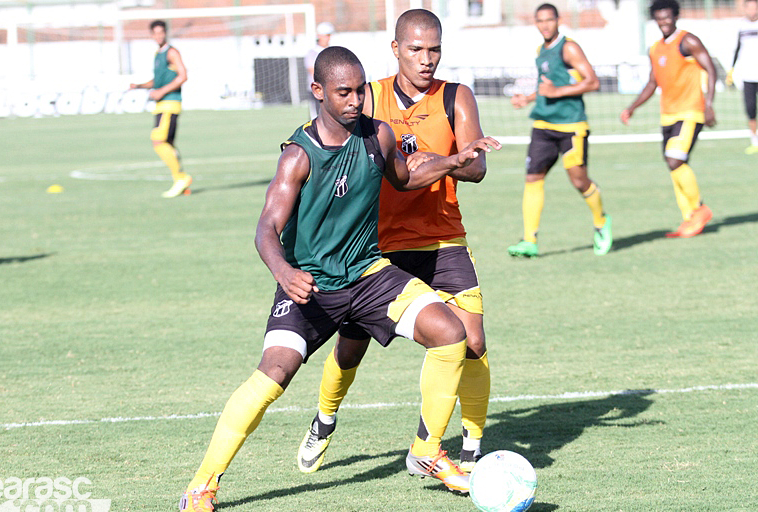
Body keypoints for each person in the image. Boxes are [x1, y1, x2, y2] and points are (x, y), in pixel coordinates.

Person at [177, 46, 500, 512]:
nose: (354, 100)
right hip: (312, 285)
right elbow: (266, 228)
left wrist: (454, 161)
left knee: (451, 333)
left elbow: (406, 176)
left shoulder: (378, 136)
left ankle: (427, 451)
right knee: (274, 376)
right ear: (318, 92)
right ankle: (202, 485)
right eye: (343, 92)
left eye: (360, 90)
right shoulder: (298, 156)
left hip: (369, 274)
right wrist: (285, 272)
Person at [295, 8, 494, 478]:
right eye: (416, 50)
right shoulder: (371, 98)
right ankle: (324, 420)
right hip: (376, 244)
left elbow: (477, 168)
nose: (427, 60)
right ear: (396, 49)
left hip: (443, 236)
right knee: (351, 346)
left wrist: (438, 160)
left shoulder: (456, 98)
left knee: (473, 341)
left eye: (435, 50)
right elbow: (334, 154)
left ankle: (469, 447)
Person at [507, 3, 612, 259]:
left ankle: (601, 221)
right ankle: (529, 240)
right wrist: (529, 99)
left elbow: (593, 81)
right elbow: (548, 85)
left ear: (558, 21)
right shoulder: (540, 50)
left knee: (579, 181)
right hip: (543, 125)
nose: (544, 25)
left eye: (549, 20)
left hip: (572, 127)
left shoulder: (569, 47)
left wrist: (557, 93)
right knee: (533, 178)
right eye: (540, 21)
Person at [620, 0, 716, 238]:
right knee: (673, 166)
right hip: (668, 115)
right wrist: (632, 107)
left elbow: (711, 69)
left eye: (668, 17)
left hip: (690, 112)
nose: (664, 22)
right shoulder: (655, 49)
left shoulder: (688, 41)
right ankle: (688, 219)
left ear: (676, 17)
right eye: (660, 18)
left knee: (675, 160)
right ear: (655, 19)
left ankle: (699, 210)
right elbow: (653, 82)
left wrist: (709, 105)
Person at [130, 20, 192, 198]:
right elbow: (157, 82)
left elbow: (183, 76)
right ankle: (182, 185)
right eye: (155, 33)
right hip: (161, 105)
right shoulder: (158, 54)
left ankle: (181, 178)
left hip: (169, 104)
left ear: (166, 33)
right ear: (151, 35)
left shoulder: (171, 52)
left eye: (161, 32)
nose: (159, 36)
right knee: (168, 144)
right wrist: (140, 86)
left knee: (158, 141)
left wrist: (162, 92)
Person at [727, 0, 758, 154]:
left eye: (755, 6)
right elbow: (737, 49)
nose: (752, 10)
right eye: (750, 7)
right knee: (751, 109)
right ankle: (755, 142)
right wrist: (731, 70)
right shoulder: (741, 26)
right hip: (748, 75)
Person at [304, 21, 334, 119]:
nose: (328, 38)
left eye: (329, 35)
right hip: (317, 90)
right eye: (326, 35)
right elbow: (312, 71)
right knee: (316, 117)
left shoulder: (331, 51)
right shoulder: (312, 53)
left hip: (330, 89)